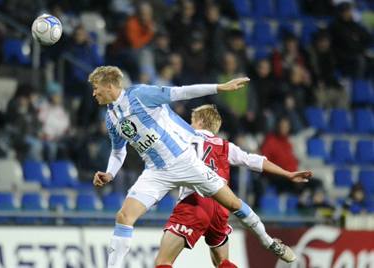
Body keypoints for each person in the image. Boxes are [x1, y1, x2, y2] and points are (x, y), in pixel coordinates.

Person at [88, 66, 297, 268]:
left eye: (96, 87)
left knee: (233, 203)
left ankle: (268, 241)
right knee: (124, 216)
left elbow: (182, 92)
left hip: (184, 160)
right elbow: (118, 151)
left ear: (109, 86)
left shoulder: (140, 95)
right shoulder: (110, 118)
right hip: (155, 172)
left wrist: (220, 87)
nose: (94, 92)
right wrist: (110, 173)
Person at [154, 105, 312, 268]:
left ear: (200, 122)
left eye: (192, 121)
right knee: (223, 263)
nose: (190, 124)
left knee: (163, 262)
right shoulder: (225, 146)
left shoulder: (185, 138)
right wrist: (287, 173)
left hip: (194, 202)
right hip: (221, 206)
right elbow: (254, 160)